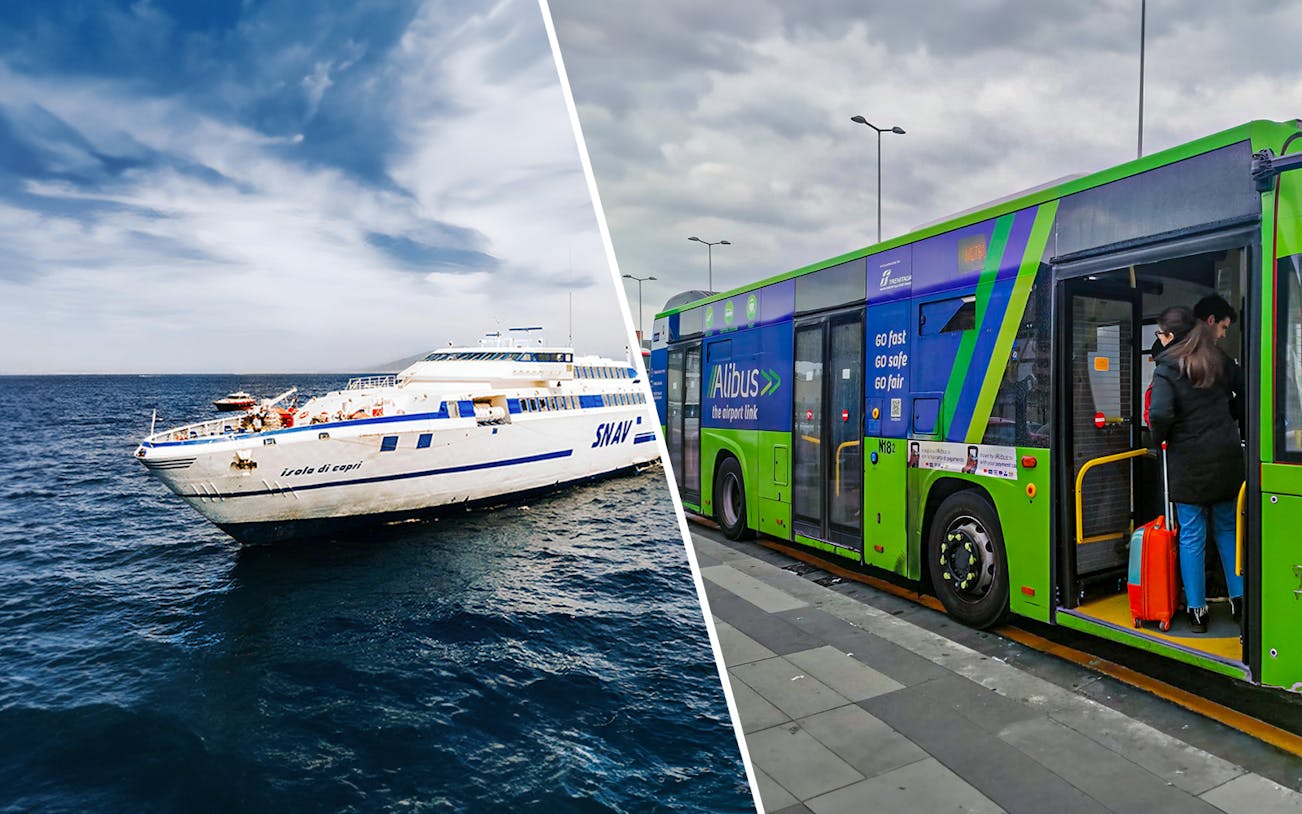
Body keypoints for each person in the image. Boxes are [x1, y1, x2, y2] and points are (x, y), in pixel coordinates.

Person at [1147, 306, 1244, 633]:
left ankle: (1197, 611)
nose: (1158, 339)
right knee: (1228, 531)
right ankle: (1240, 602)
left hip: (1189, 463)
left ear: (1171, 336)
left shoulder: (1166, 368)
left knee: (1191, 535)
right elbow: (1245, 394)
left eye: (1159, 334)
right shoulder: (1219, 359)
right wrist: (1228, 418)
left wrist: (1158, 440)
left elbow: (1159, 414)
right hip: (1227, 459)